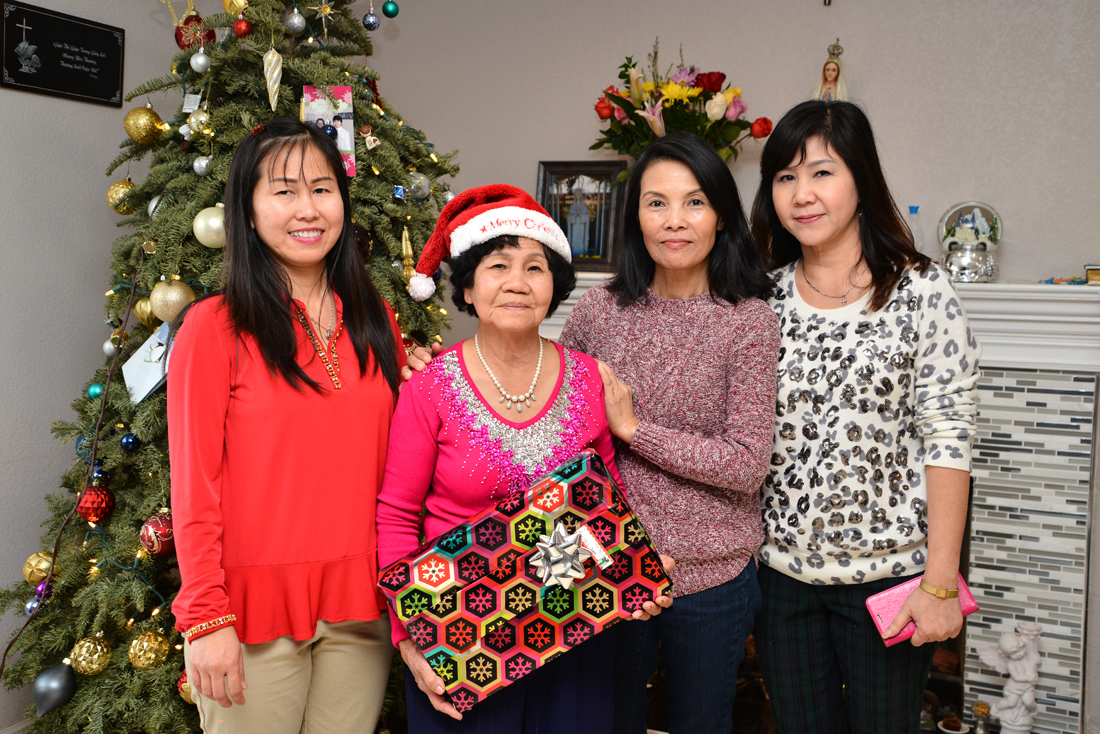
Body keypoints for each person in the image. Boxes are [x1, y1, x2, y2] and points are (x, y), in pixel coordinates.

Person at [378, 184, 673, 733]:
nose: (517, 282)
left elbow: (607, 503)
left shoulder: (590, 379)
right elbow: (395, 517)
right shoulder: (429, 386)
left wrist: (633, 573)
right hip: (458, 642)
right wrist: (410, 638)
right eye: (497, 266)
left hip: (575, 632)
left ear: (554, 287)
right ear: (466, 287)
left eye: (535, 268)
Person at [749, 99, 981, 734]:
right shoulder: (761, 297)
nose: (802, 194)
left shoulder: (921, 290)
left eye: (822, 172)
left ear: (861, 178)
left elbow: (949, 437)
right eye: (785, 177)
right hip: (782, 580)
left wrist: (939, 583)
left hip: (893, 579)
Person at [168, 117, 404, 734]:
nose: (308, 208)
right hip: (248, 614)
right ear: (246, 211)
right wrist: (205, 618)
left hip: (362, 606)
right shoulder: (212, 327)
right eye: (283, 190)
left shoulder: (376, 321)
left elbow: (397, 464)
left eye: (323, 189)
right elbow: (195, 486)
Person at [559, 131, 780, 734]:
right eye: (656, 202)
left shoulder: (749, 320)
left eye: (695, 202)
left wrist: (633, 429)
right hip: (608, 566)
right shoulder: (598, 311)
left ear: (721, 217)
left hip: (712, 581)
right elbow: (550, 414)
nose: (674, 221)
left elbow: (745, 463)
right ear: (635, 217)